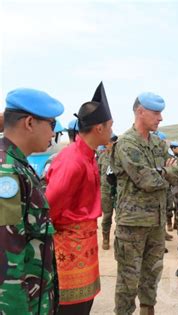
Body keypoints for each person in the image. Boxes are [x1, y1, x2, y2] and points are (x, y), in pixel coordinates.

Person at [111, 92, 178, 315]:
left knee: (152, 274)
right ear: (140, 112)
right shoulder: (126, 143)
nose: (160, 118)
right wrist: (166, 171)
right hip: (132, 223)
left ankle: (147, 311)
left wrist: (165, 171)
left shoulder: (157, 143)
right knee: (128, 279)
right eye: (156, 113)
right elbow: (147, 180)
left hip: (156, 222)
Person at [46, 82, 113, 314]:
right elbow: (49, 209)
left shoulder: (88, 155)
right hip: (69, 251)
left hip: (83, 247)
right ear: (99, 128)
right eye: (110, 126)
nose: (112, 131)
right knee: (71, 309)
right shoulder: (72, 161)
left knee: (84, 305)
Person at [0, 88, 64, 314]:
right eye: (52, 125)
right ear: (29, 122)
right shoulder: (6, 172)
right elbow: (6, 257)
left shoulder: (19, 165)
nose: (53, 134)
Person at [98, 133, 118, 250]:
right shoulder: (102, 157)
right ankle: (105, 238)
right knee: (107, 216)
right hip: (105, 191)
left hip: (118, 191)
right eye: (107, 142)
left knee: (120, 217)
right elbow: (98, 172)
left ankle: (119, 240)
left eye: (110, 142)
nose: (108, 145)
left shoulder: (120, 157)